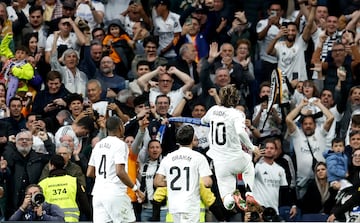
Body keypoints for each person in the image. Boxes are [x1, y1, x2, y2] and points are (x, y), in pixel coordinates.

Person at [201, 84, 260, 211]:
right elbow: (240, 132)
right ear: (237, 99)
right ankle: (249, 193)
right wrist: (252, 147)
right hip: (236, 158)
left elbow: (203, 121)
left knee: (227, 201)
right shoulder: (237, 114)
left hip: (219, 163)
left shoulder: (212, 110)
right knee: (248, 164)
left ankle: (232, 198)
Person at [87, 116, 144, 223]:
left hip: (98, 194)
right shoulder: (120, 145)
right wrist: (136, 189)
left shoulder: (98, 145)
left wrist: (105, 176)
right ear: (120, 127)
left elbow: (89, 172)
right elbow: (119, 171)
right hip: (115, 193)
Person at [154, 125, 213, 223]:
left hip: (174, 208)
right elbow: (207, 183)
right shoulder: (199, 157)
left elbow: (157, 182)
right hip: (191, 208)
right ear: (192, 138)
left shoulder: (168, 157)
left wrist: (174, 182)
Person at [285, 98, 334, 198]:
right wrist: (300, 106)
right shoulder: (297, 135)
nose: (308, 126)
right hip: (303, 183)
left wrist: (319, 104)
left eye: (310, 124)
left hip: (321, 181)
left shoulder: (320, 133)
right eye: (305, 124)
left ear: (315, 125)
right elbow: (288, 119)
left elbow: (330, 117)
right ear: (302, 126)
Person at [3, 130, 54, 218]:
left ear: (32, 142)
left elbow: (54, 159)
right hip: (13, 207)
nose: (24, 141)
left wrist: (47, 141)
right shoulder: (10, 158)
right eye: (21, 139)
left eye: (27, 139)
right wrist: (10, 144)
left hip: (35, 207)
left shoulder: (39, 158)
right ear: (16, 142)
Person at [39, 154, 91, 222]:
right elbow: (84, 203)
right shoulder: (73, 181)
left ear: (52, 165)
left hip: (51, 220)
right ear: (64, 165)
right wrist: (90, 217)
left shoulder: (43, 184)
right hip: (71, 219)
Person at [252, 138, 288, 214]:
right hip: (259, 209)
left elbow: (284, 190)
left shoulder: (280, 169)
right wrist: (254, 160)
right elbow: (248, 176)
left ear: (276, 151)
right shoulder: (257, 166)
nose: (269, 150)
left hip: (274, 209)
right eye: (267, 148)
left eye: (272, 148)